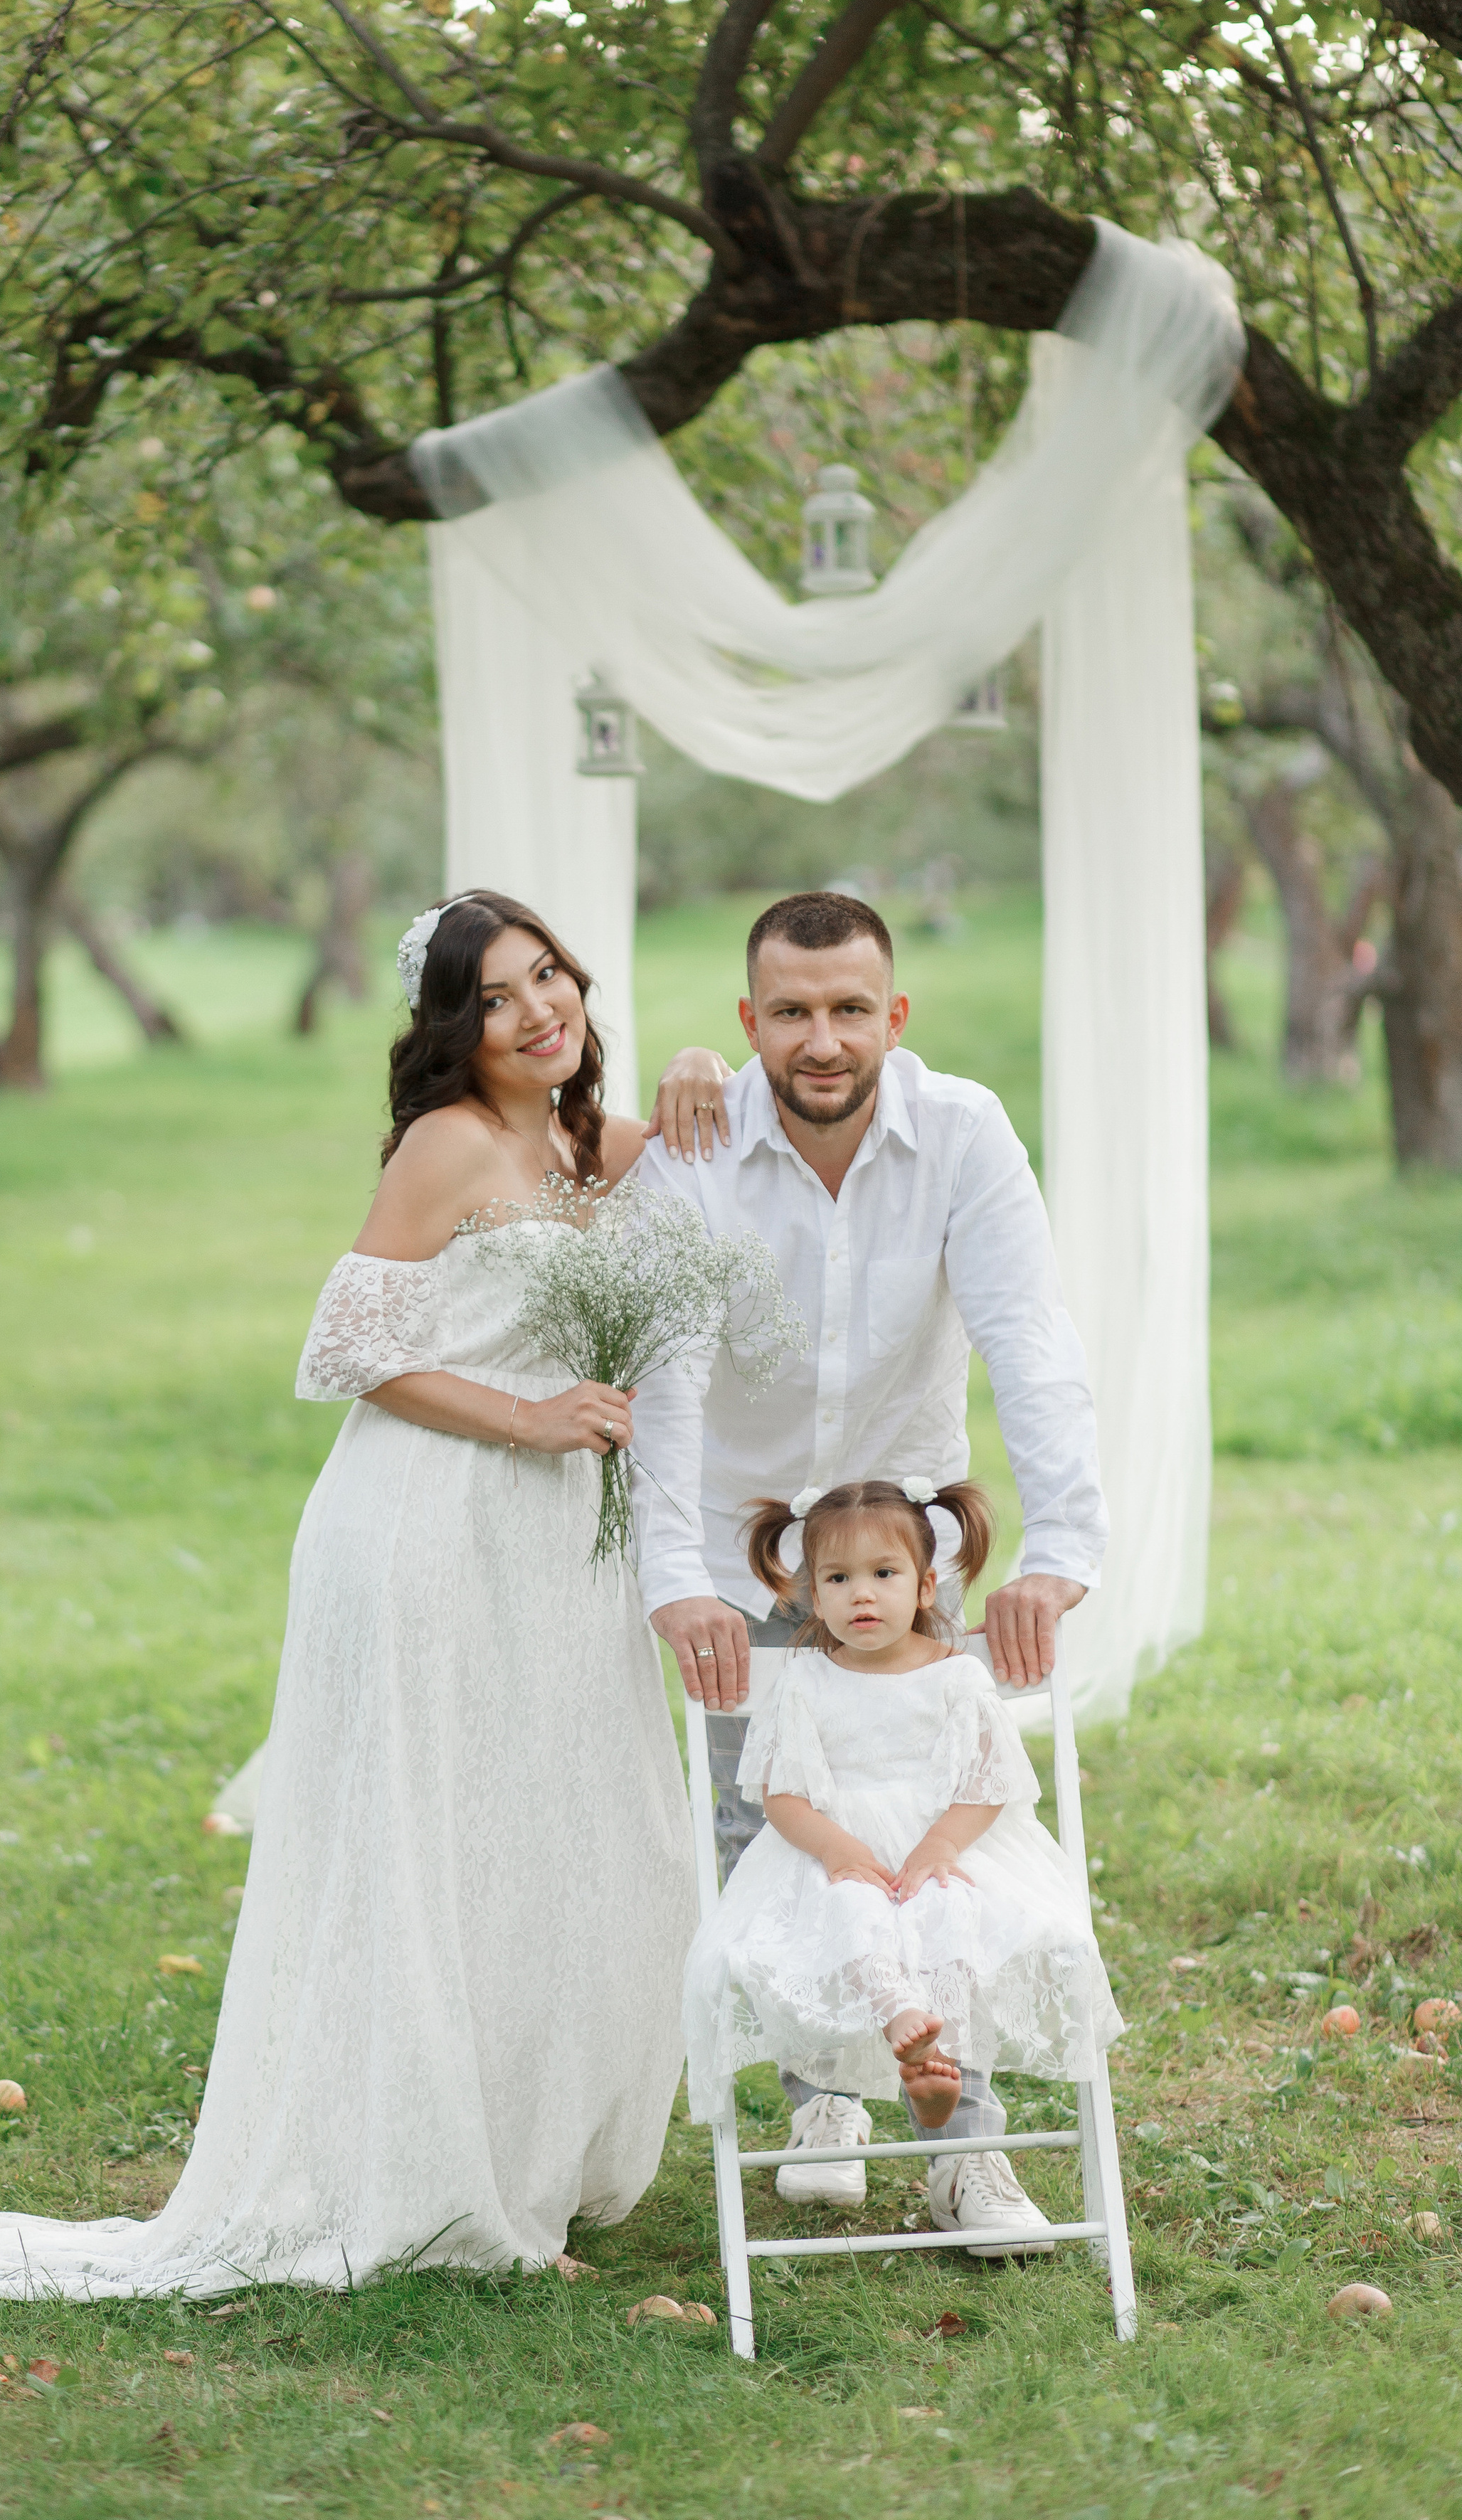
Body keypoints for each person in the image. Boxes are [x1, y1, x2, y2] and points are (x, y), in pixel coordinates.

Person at [0, 890, 692, 2300]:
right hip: (427, 1524)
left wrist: (703, 1077)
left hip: (553, 1547)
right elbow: (348, 1351)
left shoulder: (581, 1142)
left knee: (537, 1834)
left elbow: (721, 1156)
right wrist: (531, 1423)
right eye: (497, 996)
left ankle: (523, 2152)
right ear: (454, 1028)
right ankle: (426, 2181)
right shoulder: (447, 1145)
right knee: (425, 1839)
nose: (539, 1009)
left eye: (547, 975)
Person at [631, 888, 1108, 2253]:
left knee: (943, 1829)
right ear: (749, 1023)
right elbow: (665, 1389)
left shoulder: (963, 1133)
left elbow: (1031, 1340)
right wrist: (678, 1580)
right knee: (767, 1831)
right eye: (792, 1012)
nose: (822, 1039)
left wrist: (1060, 1551)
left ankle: (967, 2153)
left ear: (895, 1017)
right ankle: (823, 2093)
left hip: (901, 1553)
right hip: (741, 1545)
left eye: (851, 1010)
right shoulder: (695, 1151)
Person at [682, 1477, 1123, 2157]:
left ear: (924, 1588)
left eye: (884, 1573)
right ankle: (902, 2029)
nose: (861, 1593)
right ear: (813, 1594)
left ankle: (937, 2072)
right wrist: (834, 1850)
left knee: (948, 1911)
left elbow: (988, 1782)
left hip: (939, 1852)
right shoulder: (806, 1680)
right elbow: (782, 1795)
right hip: (840, 1852)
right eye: (837, 1578)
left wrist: (942, 1847)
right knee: (847, 1910)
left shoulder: (957, 1676)